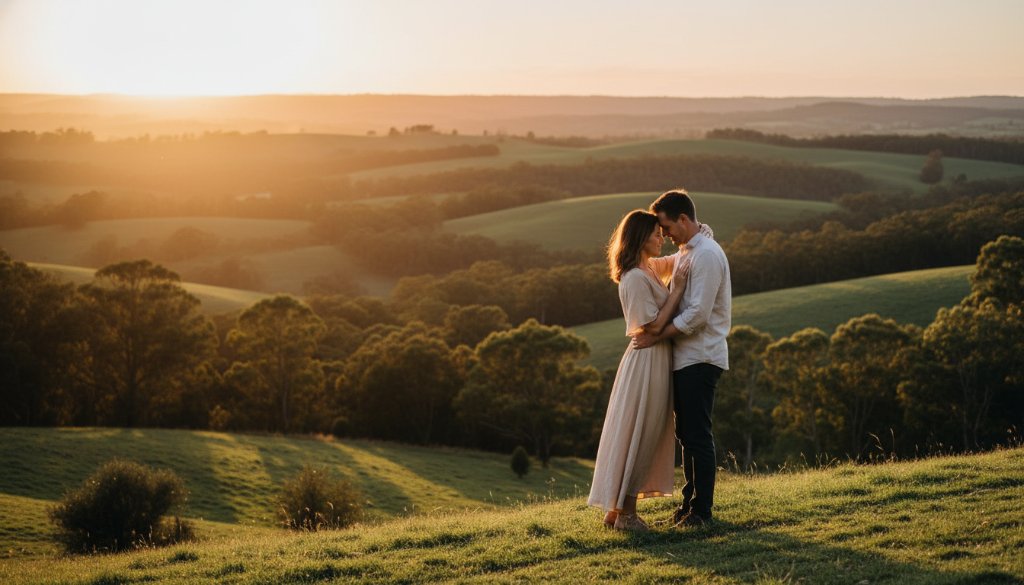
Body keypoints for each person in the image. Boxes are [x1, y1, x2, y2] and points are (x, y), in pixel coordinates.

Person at [587, 209, 691, 531]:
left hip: (655, 359)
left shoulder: (647, 268)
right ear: (639, 237)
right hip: (646, 362)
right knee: (640, 433)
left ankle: (616, 512)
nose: (662, 238)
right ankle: (627, 515)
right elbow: (653, 328)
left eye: (663, 232)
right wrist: (675, 292)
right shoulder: (633, 278)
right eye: (656, 233)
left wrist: (698, 238)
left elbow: (677, 260)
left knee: (644, 431)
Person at [633, 189, 732, 528]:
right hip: (686, 358)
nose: (664, 235)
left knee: (697, 435)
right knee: (688, 435)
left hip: (701, 357)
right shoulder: (690, 249)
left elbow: (697, 316)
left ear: (683, 220)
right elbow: (655, 265)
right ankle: (689, 505)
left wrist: (656, 335)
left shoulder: (705, 255)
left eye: (666, 227)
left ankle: (702, 512)